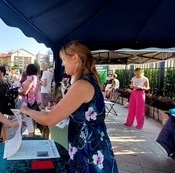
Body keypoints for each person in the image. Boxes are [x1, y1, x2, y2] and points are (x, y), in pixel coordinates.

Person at [20, 41, 118, 173]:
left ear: (75, 58)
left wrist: (26, 110)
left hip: (89, 152)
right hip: (92, 149)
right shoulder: (88, 80)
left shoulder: (82, 84)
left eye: (64, 60)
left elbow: (49, 119)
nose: (62, 64)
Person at [18, 64, 40, 137]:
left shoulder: (30, 78)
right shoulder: (36, 78)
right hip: (34, 102)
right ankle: (32, 136)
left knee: (29, 124)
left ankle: (31, 138)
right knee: (32, 124)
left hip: (27, 103)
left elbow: (25, 92)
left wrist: (16, 92)